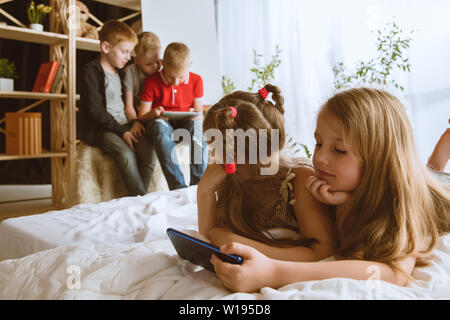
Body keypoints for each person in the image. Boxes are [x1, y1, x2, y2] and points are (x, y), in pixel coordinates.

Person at [210, 87, 450, 292]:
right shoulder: (332, 189)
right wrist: (346, 202)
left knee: (433, 183)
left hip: (437, 194)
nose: (320, 158)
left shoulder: (400, 198)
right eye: (318, 143)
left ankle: (441, 154)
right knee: (431, 174)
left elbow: (392, 273)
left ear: (379, 159)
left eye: (340, 150)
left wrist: (274, 272)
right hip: (424, 180)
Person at [198, 84, 335, 262]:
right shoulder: (229, 180)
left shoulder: (298, 180)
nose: (213, 156)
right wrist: (204, 192)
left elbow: (322, 252)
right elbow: (212, 239)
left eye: (216, 147)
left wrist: (243, 245)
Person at [77, 20, 155, 196]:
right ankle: (141, 200)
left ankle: (136, 196)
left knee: (149, 153)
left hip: (124, 124)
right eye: (124, 51)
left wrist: (134, 123)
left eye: (130, 52)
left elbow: (128, 105)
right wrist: (122, 132)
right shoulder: (91, 71)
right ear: (106, 47)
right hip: (102, 128)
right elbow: (96, 111)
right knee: (125, 154)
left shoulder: (121, 72)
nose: (128, 57)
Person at [138, 42, 208, 190]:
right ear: (163, 64)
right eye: (170, 77)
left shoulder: (197, 80)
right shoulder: (152, 81)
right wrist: (153, 113)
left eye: (181, 77)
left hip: (185, 124)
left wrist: (194, 116)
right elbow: (142, 116)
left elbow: (198, 114)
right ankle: (178, 187)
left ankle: (199, 185)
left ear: (190, 64)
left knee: (197, 127)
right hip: (161, 124)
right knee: (159, 127)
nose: (175, 82)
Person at [123, 31, 162, 139]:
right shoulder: (130, 72)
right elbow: (129, 106)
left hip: (156, 116)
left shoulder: (162, 71)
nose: (155, 66)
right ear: (137, 60)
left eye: (158, 61)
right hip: (135, 116)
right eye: (149, 64)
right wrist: (135, 122)